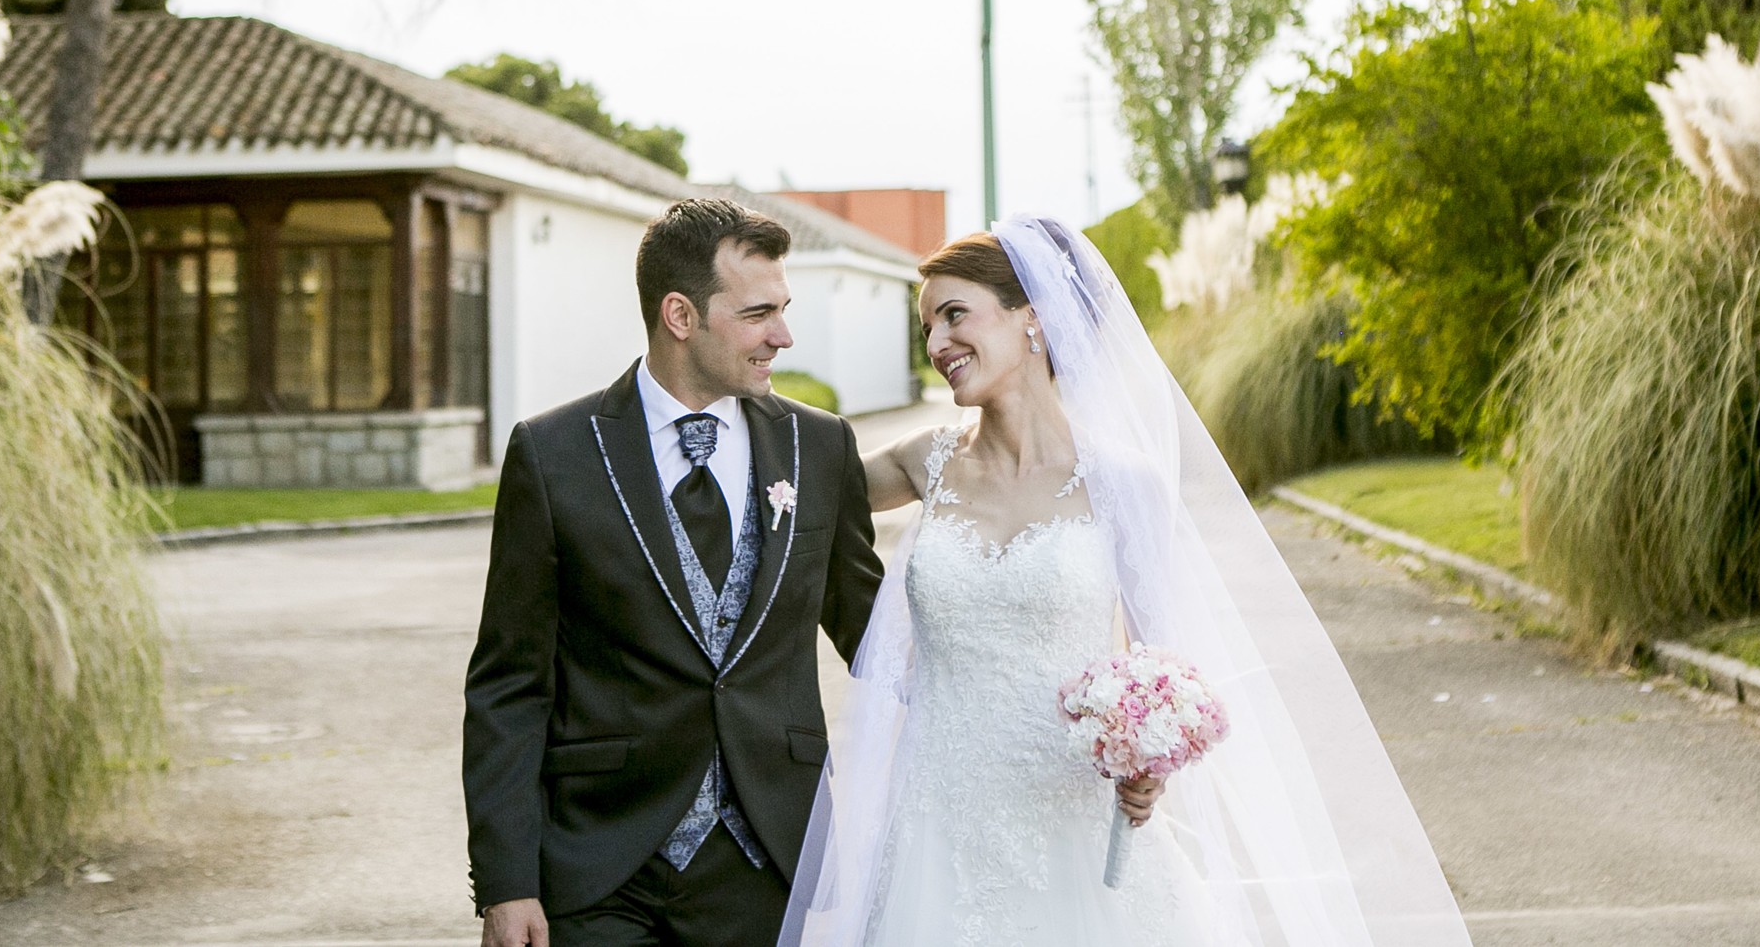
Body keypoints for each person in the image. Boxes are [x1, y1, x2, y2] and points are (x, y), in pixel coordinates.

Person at [780, 218, 1474, 947]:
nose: (937, 342)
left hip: (1073, 814)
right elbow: (795, 486)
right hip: (939, 818)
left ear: (1031, 318)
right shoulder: (924, 460)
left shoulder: (1124, 482)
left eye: (955, 314)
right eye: (928, 326)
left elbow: (1158, 664)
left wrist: (1151, 758)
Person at [463, 198, 884, 947]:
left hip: (766, 859)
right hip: (599, 865)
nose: (783, 336)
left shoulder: (819, 447)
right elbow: (509, 684)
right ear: (680, 316)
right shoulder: (554, 453)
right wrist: (506, 881)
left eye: (783, 311)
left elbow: (876, 635)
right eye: (758, 314)